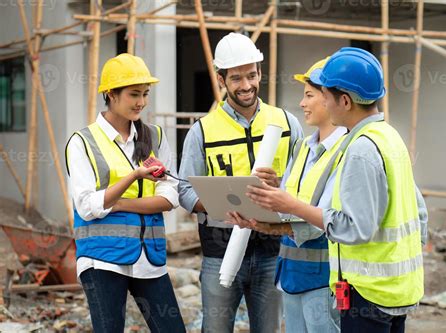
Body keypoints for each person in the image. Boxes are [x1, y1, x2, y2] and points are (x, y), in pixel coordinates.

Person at [233, 47, 428, 333]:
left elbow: (353, 228)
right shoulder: (389, 137)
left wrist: (290, 206)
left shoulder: (360, 148)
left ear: (345, 101)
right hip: (394, 290)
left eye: (322, 95)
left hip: (367, 292)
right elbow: (419, 218)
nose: (314, 101)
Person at [178, 32, 304, 333]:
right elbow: (184, 191)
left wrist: (279, 189)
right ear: (221, 79)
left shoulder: (285, 123)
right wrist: (220, 203)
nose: (246, 85)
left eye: (251, 75)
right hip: (219, 250)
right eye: (236, 78)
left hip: (273, 251)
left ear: (260, 73)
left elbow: (305, 185)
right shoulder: (203, 132)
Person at [65, 53, 185, 332]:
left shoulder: (155, 136)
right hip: (101, 259)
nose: (141, 102)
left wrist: (119, 204)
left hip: (150, 257)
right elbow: (87, 206)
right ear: (110, 94)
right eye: (133, 94)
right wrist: (133, 176)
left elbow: (170, 197)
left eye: (145, 94)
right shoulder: (82, 142)